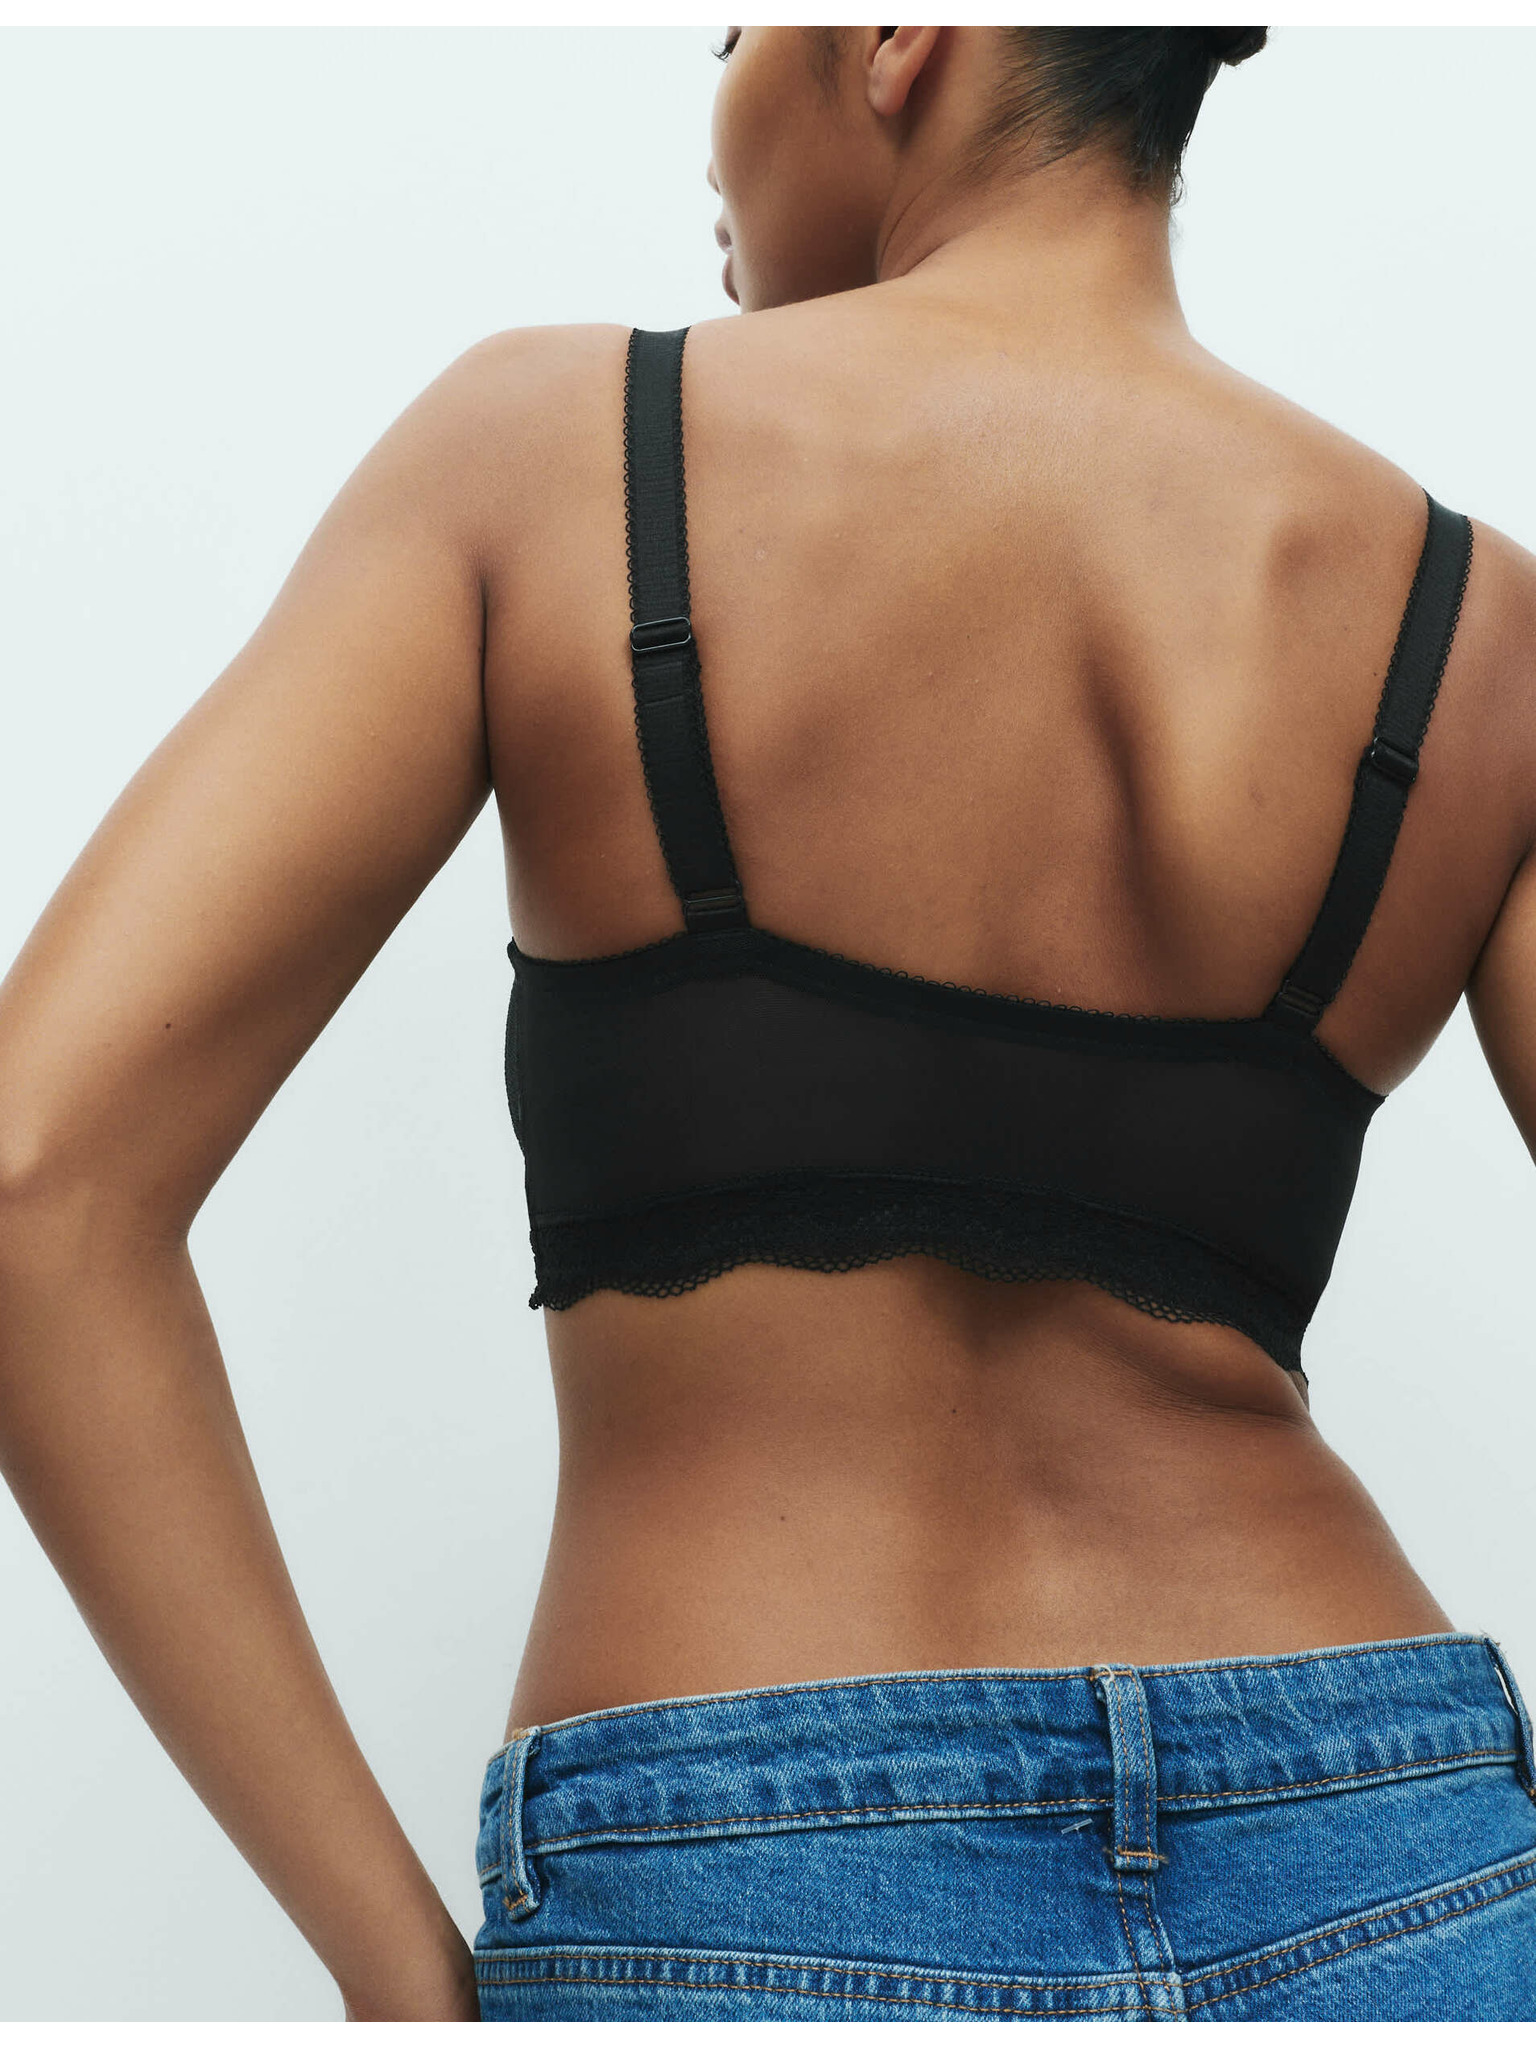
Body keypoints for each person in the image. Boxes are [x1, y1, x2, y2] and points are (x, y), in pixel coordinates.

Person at [1, 22, 1534, 2024]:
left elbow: (36, 1175)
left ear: (897, 36)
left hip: (748, 1873)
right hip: (1401, 1848)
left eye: (730, 23)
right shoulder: (1479, 630)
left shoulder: (555, 452)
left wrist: (400, 1983)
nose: (713, 97)